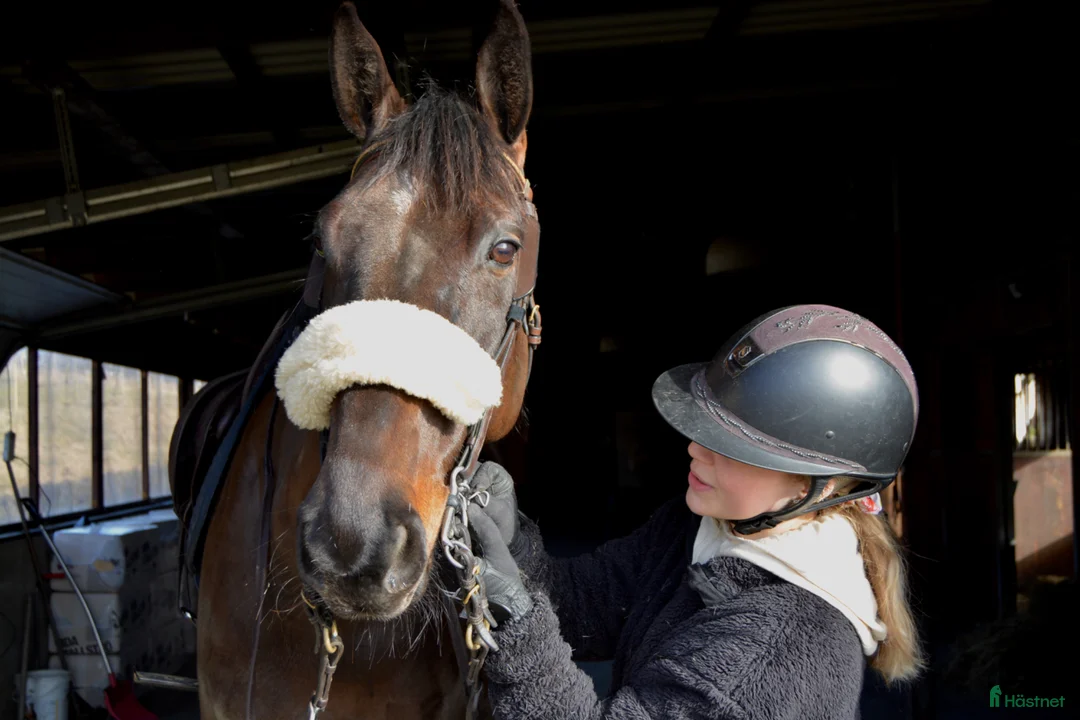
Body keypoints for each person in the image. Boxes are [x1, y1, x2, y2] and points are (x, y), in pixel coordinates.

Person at [465, 303, 926, 719]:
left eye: (732, 447)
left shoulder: (776, 653)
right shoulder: (699, 528)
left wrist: (515, 622)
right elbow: (590, 606)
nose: (695, 449)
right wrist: (513, 546)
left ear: (810, 484)